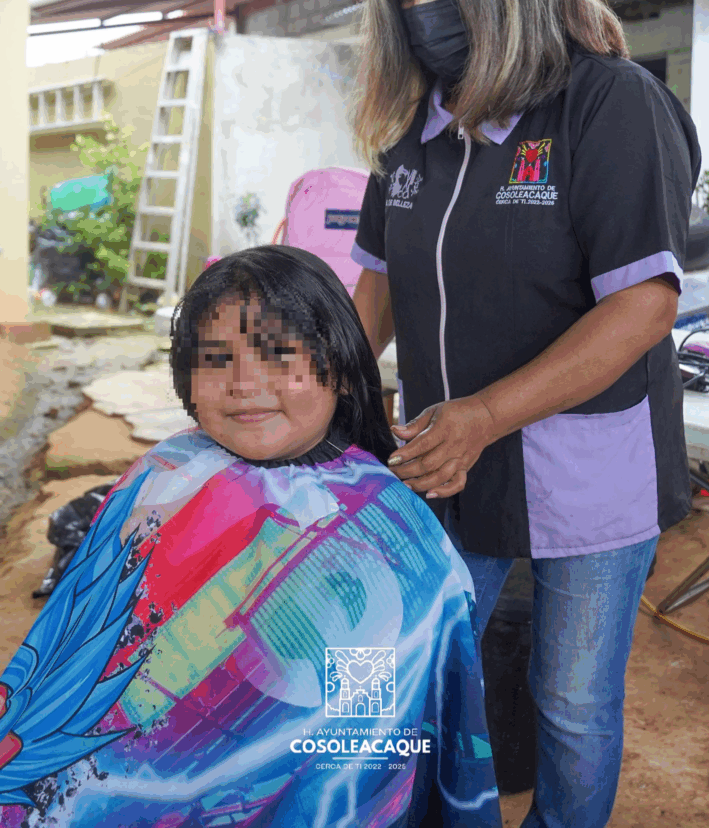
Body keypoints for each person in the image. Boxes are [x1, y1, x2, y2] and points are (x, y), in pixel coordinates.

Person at [351, 0, 701, 828]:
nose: (425, 11)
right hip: (445, 460)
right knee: (423, 675)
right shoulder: (413, 129)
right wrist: (320, 393)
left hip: (585, 468)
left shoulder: (607, 105)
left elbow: (642, 306)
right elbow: (375, 288)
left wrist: (485, 414)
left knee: (571, 702)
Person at [0, 246, 501, 828]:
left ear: (340, 365)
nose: (243, 383)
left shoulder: (380, 525)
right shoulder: (164, 474)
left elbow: (364, 741)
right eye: (216, 358)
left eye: (278, 354)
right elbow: (69, 659)